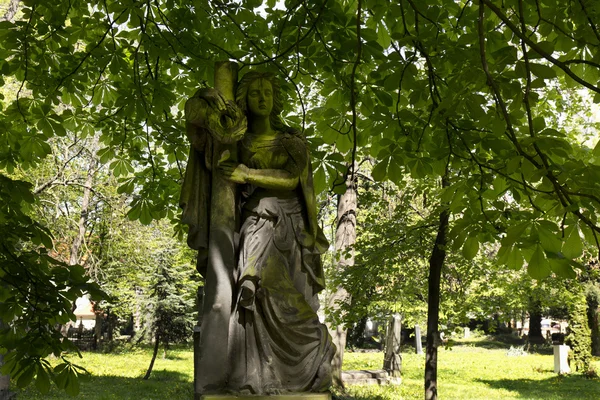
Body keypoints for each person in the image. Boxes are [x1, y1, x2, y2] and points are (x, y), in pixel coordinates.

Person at [182, 71, 334, 395]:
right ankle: (256, 376)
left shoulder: (290, 141)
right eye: (254, 94)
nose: (262, 98)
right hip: (254, 223)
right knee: (253, 297)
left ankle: (314, 351)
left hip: (288, 229)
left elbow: (293, 179)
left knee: (285, 297)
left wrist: (247, 173)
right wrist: (210, 108)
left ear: (275, 98)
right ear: (245, 101)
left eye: (267, 92)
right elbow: (196, 122)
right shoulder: (238, 141)